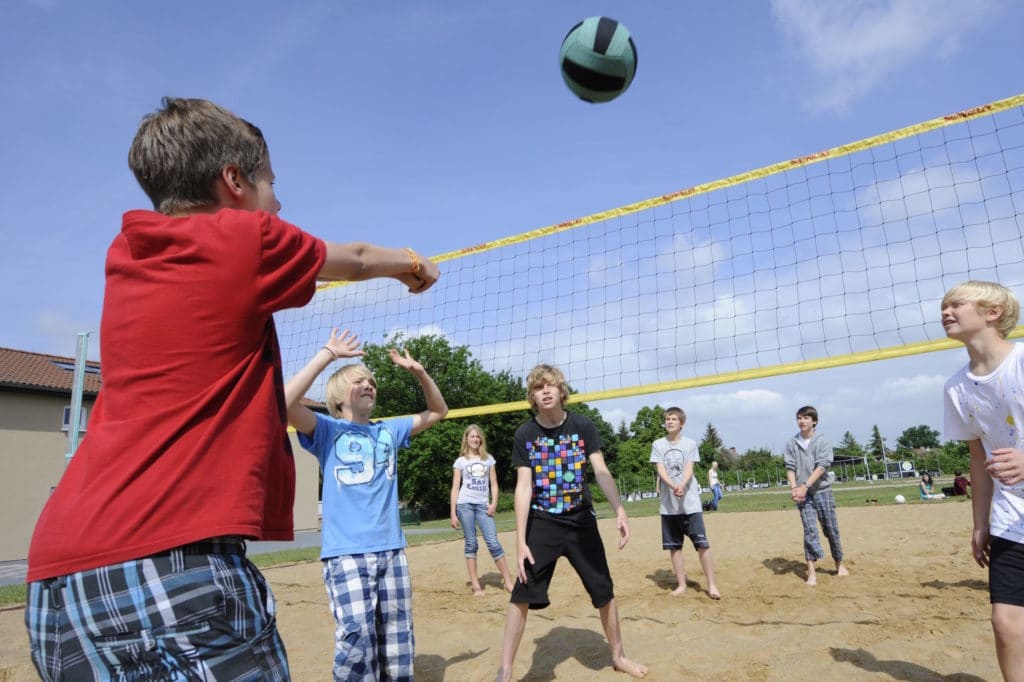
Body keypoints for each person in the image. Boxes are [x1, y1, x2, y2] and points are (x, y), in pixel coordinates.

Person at [23, 98, 439, 680]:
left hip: (56, 579)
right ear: (234, 181)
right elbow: (361, 260)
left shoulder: (127, 255)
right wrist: (415, 265)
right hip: (175, 561)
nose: (279, 200)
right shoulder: (244, 237)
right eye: (271, 183)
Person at [286, 327, 447, 680]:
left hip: (391, 551)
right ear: (338, 398)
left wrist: (419, 373)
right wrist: (328, 353)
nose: (368, 385)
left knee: (397, 639)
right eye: (358, 381)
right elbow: (283, 404)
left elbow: (438, 411)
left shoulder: (388, 430)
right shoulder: (326, 430)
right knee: (357, 636)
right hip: (345, 554)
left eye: (371, 381)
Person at [495, 364, 648, 681]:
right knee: (521, 594)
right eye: (538, 387)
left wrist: (619, 509)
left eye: (550, 385)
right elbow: (523, 487)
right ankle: (506, 670)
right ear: (533, 396)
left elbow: (601, 470)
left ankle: (618, 656)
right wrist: (520, 540)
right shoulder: (525, 434)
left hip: (580, 521)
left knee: (603, 590)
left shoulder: (582, 426)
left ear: (561, 390)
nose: (545, 391)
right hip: (543, 522)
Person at [942, 280, 1024, 680]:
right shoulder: (956, 386)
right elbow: (978, 457)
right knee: (1005, 626)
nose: (946, 311)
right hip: (1011, 515)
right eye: (944, 306)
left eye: (957, 304)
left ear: (992, 313)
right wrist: (979, 523)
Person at [649, 407, 721, 599]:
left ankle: (712, 585)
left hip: (690, 504)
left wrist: (681, 484)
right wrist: (673, 485)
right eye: (667, 419)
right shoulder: (658, 444)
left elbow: (689, 468)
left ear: (682, 423)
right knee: (675, 547)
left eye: (673, 419)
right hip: (668, 505)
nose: (670, 421)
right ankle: (681, 584)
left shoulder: (690, 443)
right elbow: (660, 469)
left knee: (702, 545)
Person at [783, 405, 850, 586]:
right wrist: (794, 489)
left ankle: (839, 563)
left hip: (822, 491)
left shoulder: (823, 441)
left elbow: (822, 466)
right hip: (803, 494)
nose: (801, 421)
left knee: (830, 529)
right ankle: (811, 571)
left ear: (814, 421)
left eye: (806, 417)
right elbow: (790, 467)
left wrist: (805, 485)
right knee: (809, 530)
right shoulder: (791, 443)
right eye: (799, 417)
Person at [450, 424, 516, 596]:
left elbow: (494, 484)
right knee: (471, 543)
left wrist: (494, 503)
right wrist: (453, 513)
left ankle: (508, 582)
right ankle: (476, 585)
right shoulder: (460, 462)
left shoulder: (488, 459)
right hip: (464, 505)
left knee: (493, 542)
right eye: (472, 436)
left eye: (478, 436)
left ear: (481, 439)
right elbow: (455, 488)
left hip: (482, 506)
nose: (475, 439)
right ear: (466, 439)